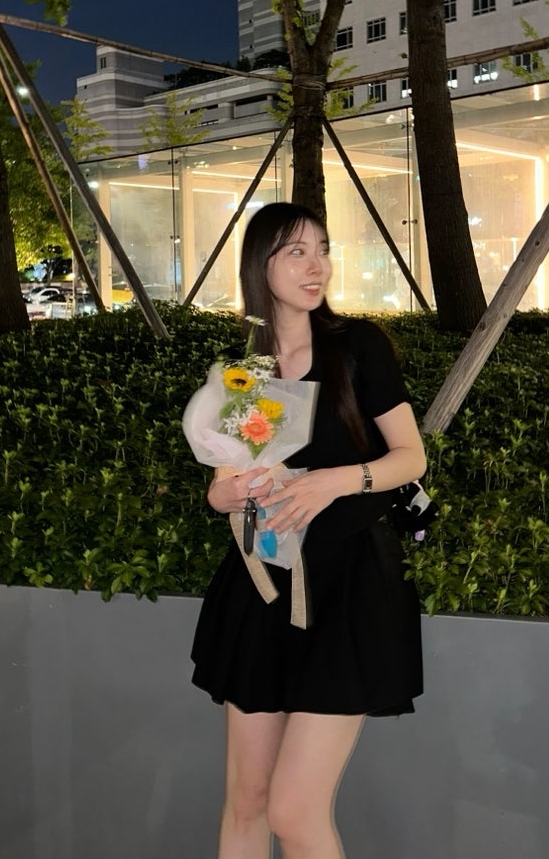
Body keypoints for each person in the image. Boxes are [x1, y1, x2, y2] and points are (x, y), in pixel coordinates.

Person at [190, 201, 426, 859]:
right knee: (247, 800)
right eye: (296, 251)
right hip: (265, 583)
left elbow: (411, 458)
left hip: (347, 587)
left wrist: (333, 481)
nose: (316, 264)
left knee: (294, 812)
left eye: (321, 249)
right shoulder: (250, 368)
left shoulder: (358, 346)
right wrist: (223, 495)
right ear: (259, 266)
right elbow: (227, 484)